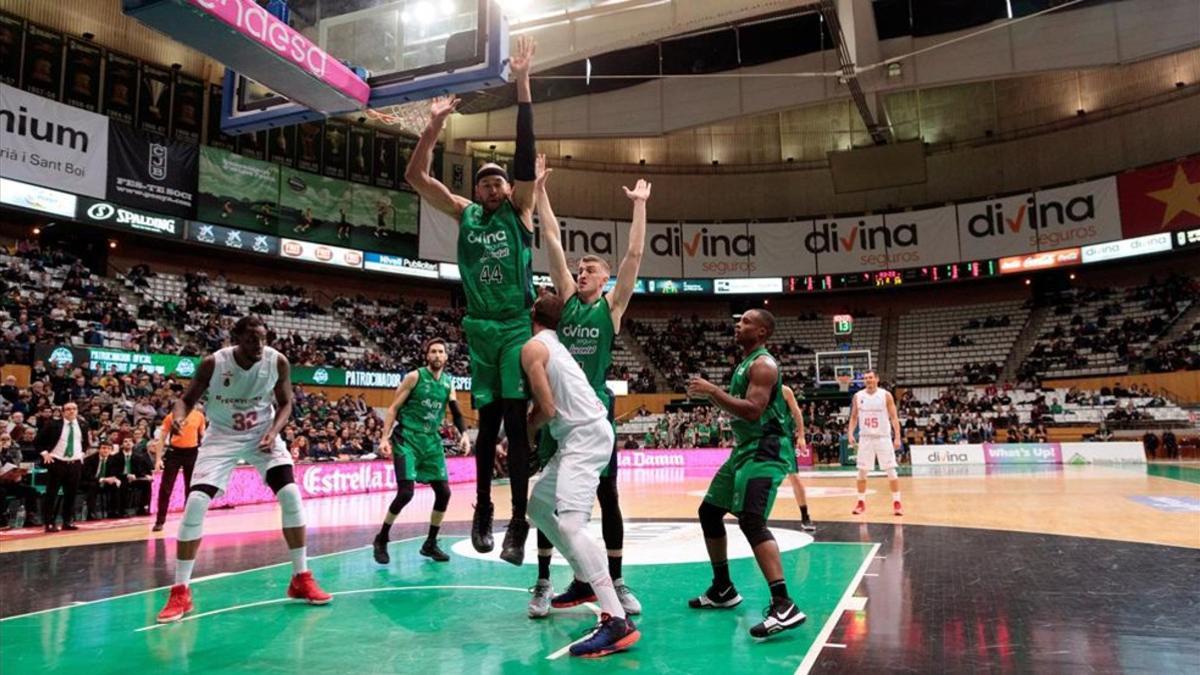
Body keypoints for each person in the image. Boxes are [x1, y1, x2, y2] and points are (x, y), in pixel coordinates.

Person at [404, 35, 540, 564]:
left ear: (509, 188)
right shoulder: (465, 213)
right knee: (486, 426)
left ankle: (518, 522)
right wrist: (434, 125)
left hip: (514, 325)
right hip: (479, 328)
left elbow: (525, 157)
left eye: (498, 180)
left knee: (513, 419)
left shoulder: (520, 211)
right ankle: (483, 507)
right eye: (483, 181)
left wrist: (522, 82)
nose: (491, 186)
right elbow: (416, 176)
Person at [527, 156, 649, 618]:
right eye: (579, 269)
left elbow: (634, 256)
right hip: (554, 407)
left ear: (604, 281)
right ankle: (545, 581)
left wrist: (638, 206)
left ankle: (612, 581)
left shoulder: (610, 308)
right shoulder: (565, 301)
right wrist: (540, 191)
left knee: (607, 498)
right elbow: (553, 240)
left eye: (590, 270)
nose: (580, 273)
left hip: (592, 412)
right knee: (545, 497)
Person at [156, 316, 331, 623]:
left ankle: (301, 577)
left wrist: (274, 431)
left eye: (263, 339)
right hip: (221, 436)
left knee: (291, 494)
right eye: (252, 340)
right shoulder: (214, 363)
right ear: (236, 338)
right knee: (196, 503)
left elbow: (286, 404)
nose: (259, 345)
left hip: (262, 435)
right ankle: (180, 590)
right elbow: (185, 401)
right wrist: (180, 418)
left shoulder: (278, 362)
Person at [521, 293, 640, 657]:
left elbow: (546, 408)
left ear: (531, 314)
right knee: (538, 507)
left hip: (583, 438)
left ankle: (616, 619)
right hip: (580, 436)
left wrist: (524, 435)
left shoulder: (533, 347)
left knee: (572, 525)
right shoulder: (554, 343)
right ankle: (585, 578)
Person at [685, 310, 806, 639]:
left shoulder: (763, 365)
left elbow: (753, 412)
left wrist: (711, 391)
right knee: (709, 511)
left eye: (747, 322)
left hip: (765, 449)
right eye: (739, 321)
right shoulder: (745, 362)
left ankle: (784, 603)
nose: (738, 325)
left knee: (752, 520)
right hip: (744, 449)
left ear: (763, 331)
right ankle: (723, 587)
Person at [372, 338, 470, 564]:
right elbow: (394, 408)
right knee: (406, 493)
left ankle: (430, 543)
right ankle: (382, 538)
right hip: (407, 438)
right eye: (433, 351)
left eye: (441, 352)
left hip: (431, 442)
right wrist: (384, 437)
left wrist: (464, 433)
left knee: (444, 493)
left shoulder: (448, 383)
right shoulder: (415, 377)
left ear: (446, 357)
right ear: (427, 356)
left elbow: (455, 411)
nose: (437, 355)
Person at [847, 370, 903, 516]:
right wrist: (850, 433)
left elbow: (894, 417)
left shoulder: (885, 395)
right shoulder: (858, 396)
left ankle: (897, 503)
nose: (868, 380)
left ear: (877, 379)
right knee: (862, 472)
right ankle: (861, 503)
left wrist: (897, 436)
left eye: (871, 378)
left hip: (883, 437)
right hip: (865, 438)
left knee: (891, 470)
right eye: (866, 378)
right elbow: (853, 417)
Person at [35, 401, 90, 532]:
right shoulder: (53, 424)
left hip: (75, 463)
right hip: (57, 462)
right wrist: (45, 454)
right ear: (63, 411)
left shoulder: (83, 424)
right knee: (51, 494)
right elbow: (38, 441)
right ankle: (49, 522)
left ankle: (67, 521)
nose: (71, 411)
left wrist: (81, 454)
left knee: (71, 494)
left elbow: (86, 442)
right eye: (68, 409)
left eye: (74, 409)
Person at [153, 402, 205, 531]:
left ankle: (189, 520)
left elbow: (203, 436)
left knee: (191, 488)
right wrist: (158, 459)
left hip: (192, 452)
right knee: (165, 487)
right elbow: (161, 439)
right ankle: (160, 520)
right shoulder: (171, 417)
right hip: (174, 452)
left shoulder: (199, 416)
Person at [781, 385, 816, 533]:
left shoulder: (784, 391)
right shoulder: (755, 390)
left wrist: (801, 436)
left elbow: (796, 413)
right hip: (761, 439)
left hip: (783, 439)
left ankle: (805, 515)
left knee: (794, 477)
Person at [82, 441, 122, 519]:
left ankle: (113, 511)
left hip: (105, 482)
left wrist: (115, 479)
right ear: (99, 449)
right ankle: (91, 513)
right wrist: (103, 479)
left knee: (115, 485)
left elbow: (115, 473)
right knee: (93, 485)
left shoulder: (113, 459)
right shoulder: (89, 459)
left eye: (108, 449)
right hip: (90, 482)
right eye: (103, 448)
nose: (106, 450)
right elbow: (87, 476)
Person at [117, 437, 154, 516]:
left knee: (146, 483)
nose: (128, 443)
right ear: (122, 445)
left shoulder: (138, 457)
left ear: (133, 444)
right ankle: (122, 510)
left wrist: (145, 475)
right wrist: (126, 475)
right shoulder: (116, 457)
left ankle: (143, 507)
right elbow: (114, 471)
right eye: (125, 441)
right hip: (121, 478)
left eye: (130, 441)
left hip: (135, 478)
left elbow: (140, 471)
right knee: (122, 484)